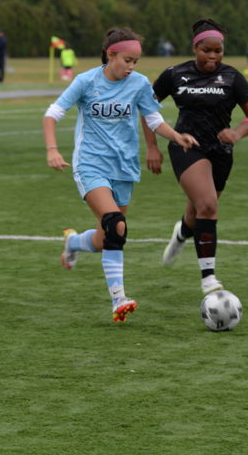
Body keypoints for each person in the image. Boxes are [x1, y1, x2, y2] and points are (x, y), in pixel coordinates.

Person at [43, 26, 198, 323]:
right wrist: (52, 149)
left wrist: (176, 136)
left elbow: (153, 119)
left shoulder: (139, 84)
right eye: (127, 60)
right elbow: (52, 114)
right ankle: (119, 299)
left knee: (105, 238)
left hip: (125, 168)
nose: (132, 66)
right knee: (116, 225)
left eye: (136, 61)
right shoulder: (86, 81)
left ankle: (73, 243)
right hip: (90, 165)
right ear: (110, 55)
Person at [142, 18, 248, 295]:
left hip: (221, 151)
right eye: (207, 50)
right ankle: (209, 278)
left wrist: (237, 133)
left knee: (197, 213)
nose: (213, 56)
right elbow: (146, 106)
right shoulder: (175, 74)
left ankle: (182, 232)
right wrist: (152, 147)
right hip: (186, 146)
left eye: (218, 51)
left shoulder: (233, 77)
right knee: (208, 205)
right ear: (195, 48)